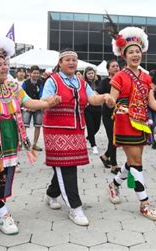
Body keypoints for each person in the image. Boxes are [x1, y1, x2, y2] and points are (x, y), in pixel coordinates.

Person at [0, 28, 60, 235]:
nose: (4, 67)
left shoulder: (14, 87)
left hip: (9, 137)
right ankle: (1, 213)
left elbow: (29, 102)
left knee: (1, 175)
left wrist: (46, 102)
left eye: (6, 63)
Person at [42, 48, 114, 226]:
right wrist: (51, 100)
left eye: (74, 60)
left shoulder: (81, 82)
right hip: (56, 129)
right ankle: (75, 207)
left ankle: (52, 194)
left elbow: (92, 99)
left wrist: (104, 96)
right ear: (60, 63)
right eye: (67, 60)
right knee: (66, 168)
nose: (72, 63)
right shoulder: (53, 80)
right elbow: (44, 100)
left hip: (76, 129)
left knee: (68, 164)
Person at [104, 23, 156, 221]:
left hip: (142, 122)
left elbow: (151, 101)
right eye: (130, 52)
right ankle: (144, 204)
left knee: (133, 162)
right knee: (137, 162)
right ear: (124, 55)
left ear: (142, 53)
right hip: (124, 120)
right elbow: (113, 97)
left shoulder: (147, 77)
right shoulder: (120, 76)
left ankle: (114, 184)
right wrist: (110, 100)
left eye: (137, 51)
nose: (134, 55)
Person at [97, 59, 120, 174]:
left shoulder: (121, 80)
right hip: (108, 115)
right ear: (108, 69)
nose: (116, 67)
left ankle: (105, 156)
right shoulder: (105, 81)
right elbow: (97, 93)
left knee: (116, 139)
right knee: (113, 139)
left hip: (120, 114)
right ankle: (114, 165)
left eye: (117, 66)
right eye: (113, 66)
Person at [22, 65, 44, 151]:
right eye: (34, 73)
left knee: (38, 125)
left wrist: (38, 105)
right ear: (30, 73)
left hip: (38, 106)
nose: (36, 75)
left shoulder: (41, 82)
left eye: (37, 73)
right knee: (24, 125)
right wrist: (28, 105)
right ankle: (24, 143)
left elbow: (42, 94)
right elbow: (22, 94)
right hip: (27, 106)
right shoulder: (25, 83)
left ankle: (35, 144)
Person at [84, 66, 102, 155]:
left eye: (92, 73)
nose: (91, 75)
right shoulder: (84, 83)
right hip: (88, 108)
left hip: (98, 107)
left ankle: (87, 138)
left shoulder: (99, 82)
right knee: (90, 127)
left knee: (97, 127)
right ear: (86, 75)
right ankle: (93, 145)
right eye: (89, 73)